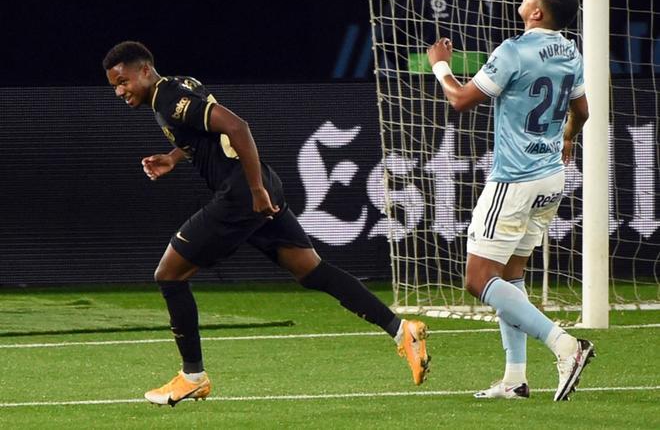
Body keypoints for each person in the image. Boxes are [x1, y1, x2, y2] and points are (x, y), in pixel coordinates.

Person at [102, 41, 429, 406]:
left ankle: (191, 376)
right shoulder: (182, 84)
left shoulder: (168, 99)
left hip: (242, 194)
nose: (119, 91)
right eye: (114, 85)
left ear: (145, 71)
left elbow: (237, 127)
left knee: (169, 274)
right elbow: (210, 133)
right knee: (311, 270)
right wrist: (174, 157)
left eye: (123, 81)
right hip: (258, 187)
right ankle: (402, 331)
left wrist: (255, 190)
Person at [427, 0, 593, 401]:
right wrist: (568, 137)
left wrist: (440, 65)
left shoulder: (514, 51)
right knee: (510, 275)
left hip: (515, 181)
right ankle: (515, 378)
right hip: (551, 179)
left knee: (478, 278)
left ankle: (564, 345)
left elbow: (461, 100)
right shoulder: (571, 52)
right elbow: (582, 111)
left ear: (537, 12)